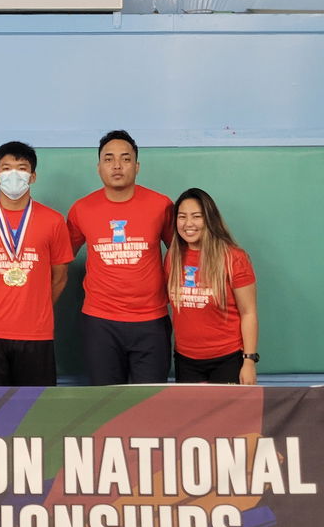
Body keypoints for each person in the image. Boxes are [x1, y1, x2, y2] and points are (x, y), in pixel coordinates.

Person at [0, 141, 74, 386]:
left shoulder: (53, 221)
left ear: (32, 177)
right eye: (6, 168)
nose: (14, 175)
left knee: (36, 409)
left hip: (37, 332)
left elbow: (60, 277)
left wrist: (35, 306)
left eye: (22, 168)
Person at [67, 129, 175, 385]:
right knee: (106, 404)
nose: (117, 165)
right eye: (109, 159)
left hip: (151, 320)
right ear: (98, 167)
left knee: (149, 405)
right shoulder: (82, 209)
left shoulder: (161, 205)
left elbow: (182, 254)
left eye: (125, 159)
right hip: (100, 322)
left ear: (137, 167)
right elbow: (61, 257)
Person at [167, 188, 259, 384]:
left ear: (209, 219)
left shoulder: (234, 258)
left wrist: (249, 361)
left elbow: (248, 312)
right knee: (191, 415)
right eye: (182, 217)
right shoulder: (173, 258)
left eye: (196, 217)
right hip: (186, 360)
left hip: (226, 359)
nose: (188, 224)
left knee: (228, 416)